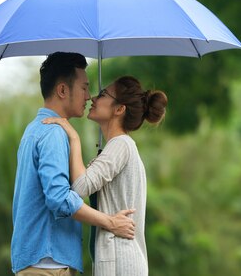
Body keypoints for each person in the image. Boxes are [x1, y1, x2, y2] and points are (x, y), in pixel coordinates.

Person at [11, 52, 136, 276]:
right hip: (49, 265)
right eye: (84, 87)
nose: (89, 96)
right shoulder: (53, 133)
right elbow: (59, 199)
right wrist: (110, 222)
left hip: (39, 262)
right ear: (62, 90)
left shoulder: (35, 128)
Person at [43, 75, 168, 276]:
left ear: (119, 109)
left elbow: (81, 187)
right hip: (118, 260)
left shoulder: (121, 145)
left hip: (121, 262)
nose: (93, 98)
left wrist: (74, 138)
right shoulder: (117, 146)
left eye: (103, 94)